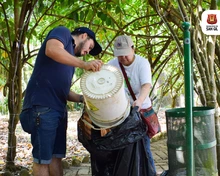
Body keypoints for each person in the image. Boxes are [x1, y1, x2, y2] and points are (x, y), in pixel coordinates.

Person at [19, 26, 103, 176]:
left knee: (56, 158)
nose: (87, 52)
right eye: (90, 47)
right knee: (42, 160)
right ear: (84, 36)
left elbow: (63, 91)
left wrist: (84, 99)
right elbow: (51, 49)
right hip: (42, 107)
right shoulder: (63, 33)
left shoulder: (70, 63)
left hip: (58, 110)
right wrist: (84, 64)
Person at [108, 35, 157, 175]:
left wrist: (139, 102)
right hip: (121, 113)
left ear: (133, 49)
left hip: (140, 112)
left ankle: (150, 173)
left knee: (144, 148)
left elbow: (146, 85)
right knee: (122, 149)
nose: (123, 58)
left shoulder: (142, 63)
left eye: (125, 54)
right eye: (119, 55)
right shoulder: (112, 65)